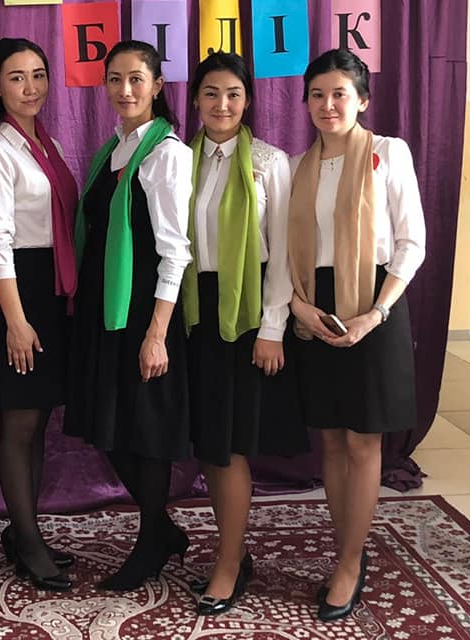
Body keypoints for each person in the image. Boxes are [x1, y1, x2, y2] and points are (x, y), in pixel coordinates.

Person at [286, 48, 426, 621]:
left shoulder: (388, 153)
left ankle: (349, 562)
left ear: (362, 100)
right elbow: (286, 248)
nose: (328, 105)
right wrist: (298, 307)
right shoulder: (298, 166)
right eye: (317, 95)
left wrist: (376, 313)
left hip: (375, 302)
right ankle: (346, 545)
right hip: (315, 306)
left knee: (364, 442)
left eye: (340, 93)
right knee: (332, 441)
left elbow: (412, 242)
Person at [181, 52, 308, 615]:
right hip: (195, 311)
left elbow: (282, 253)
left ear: (248, 100)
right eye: (211, 93)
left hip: (248, 312)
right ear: (194, 99)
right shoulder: (179, 158)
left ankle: (229, 564)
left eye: (233, 93)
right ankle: (233, 549)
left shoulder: (268, 162)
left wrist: (273, 328)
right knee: (211, 442)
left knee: (230, 444)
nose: (222, 104)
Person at [64, 40, 193, 590]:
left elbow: (175, 250)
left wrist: (157, 332)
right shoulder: (111, 150)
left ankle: (150, 540)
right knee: (110, 425)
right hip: (104, 307)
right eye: (115, 79)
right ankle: (162, 529)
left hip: (142, 309)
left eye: (137, 78)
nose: (125, 90)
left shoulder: (167, 153)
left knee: (143, 429)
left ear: (157, 85)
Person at [0, 38, 77, 591]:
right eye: (16, 77)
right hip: (19, 290)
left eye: (38, 74)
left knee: (39, 419)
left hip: (51, 292)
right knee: (20, 420)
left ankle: (25, 529)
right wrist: (14, 320)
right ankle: (28, 542)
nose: (30, 87)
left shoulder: (47, 144)